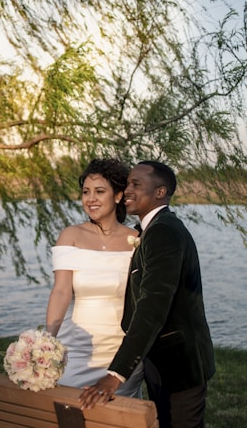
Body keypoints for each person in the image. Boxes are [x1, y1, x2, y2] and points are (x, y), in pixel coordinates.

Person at [79, 160, 215, 428]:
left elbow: (153, 306)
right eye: (128, 183)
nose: (127, 190)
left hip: (181, 365)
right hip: (162, 362)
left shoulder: (164, 232)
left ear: (160, 192)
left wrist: (116, 375)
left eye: (136, 184)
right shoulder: (150, 230)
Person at [46, 158, 144, 397]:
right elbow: (61, 291)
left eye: (100, 191)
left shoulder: (138, 239)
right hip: (79, 348)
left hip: (122, 348)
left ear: (118, 195)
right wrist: (47, 340)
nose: (90, 199)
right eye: (86, 192)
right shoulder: (70, 235)